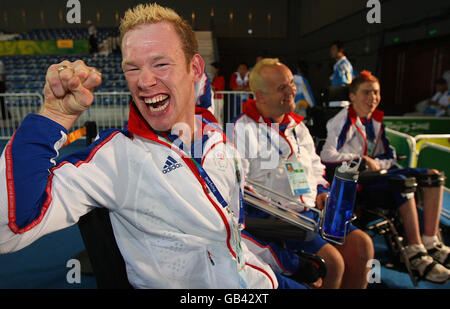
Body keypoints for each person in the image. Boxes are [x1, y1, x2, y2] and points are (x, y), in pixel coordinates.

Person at [0, 3, 314, 289]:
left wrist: (277, 271)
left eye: (160, 64)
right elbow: (11, 228)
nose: (144, 81)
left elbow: (230, 233)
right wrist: (52, 117)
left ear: (194, 69)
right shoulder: (116, 157)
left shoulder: (218, 139)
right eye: (132, 68)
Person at [232, 58, 374, 289]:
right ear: (260, 96)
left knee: (362, 246)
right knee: (333, 263)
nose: (292, 91)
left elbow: (317, 167)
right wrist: (277, 211)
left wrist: (322, 191)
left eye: (291, 84)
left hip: (313, 211)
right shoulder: (241, 130)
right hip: (279, 219)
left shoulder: (298, 127)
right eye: (282, 88)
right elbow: (239, 188)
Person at [320, 70, 450, 283]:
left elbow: (389, 156)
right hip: (358, 182)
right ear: (352, 96)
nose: (373, 98)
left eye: (376, 93)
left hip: (378, 173)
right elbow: (327, 155)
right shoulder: (342, 120)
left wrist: (375, 163)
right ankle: (415, 251)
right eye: (367, 92)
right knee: (402, 183)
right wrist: (361, 159)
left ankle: (431, 241)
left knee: (432, 176)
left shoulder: (376, 121)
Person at [329, 41, 356, 107]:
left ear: (341, 50)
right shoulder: (338, 66)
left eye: (333, 49)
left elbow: (348, 82)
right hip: (336, 101)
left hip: (340, 103)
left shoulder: (344, 65)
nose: (331, 51)